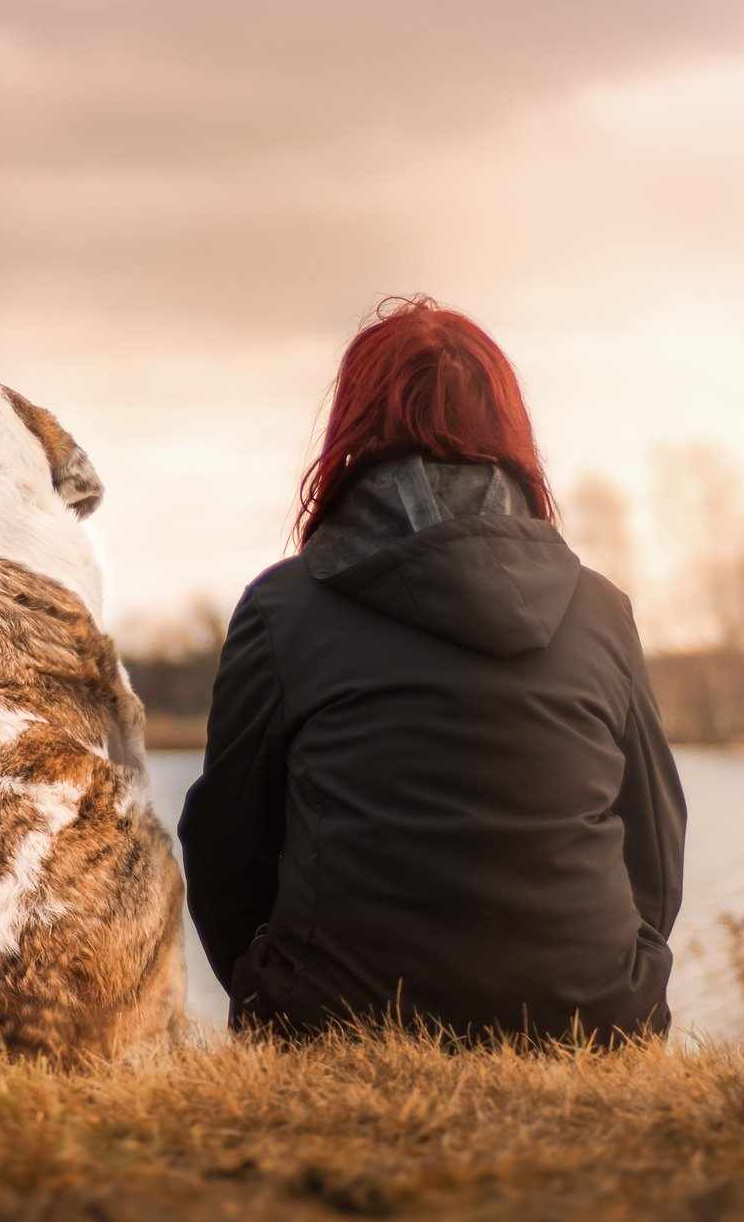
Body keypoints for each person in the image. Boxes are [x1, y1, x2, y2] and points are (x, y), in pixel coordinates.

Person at [177, 295, 686, 1045]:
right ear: (510, 431)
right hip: (593, 1021)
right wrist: (614, 976)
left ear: (352, 429)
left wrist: (273, 987)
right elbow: (656, 845)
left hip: (335, 1021)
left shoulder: (283, 609)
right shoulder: (601, 610)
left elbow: (225, 848)